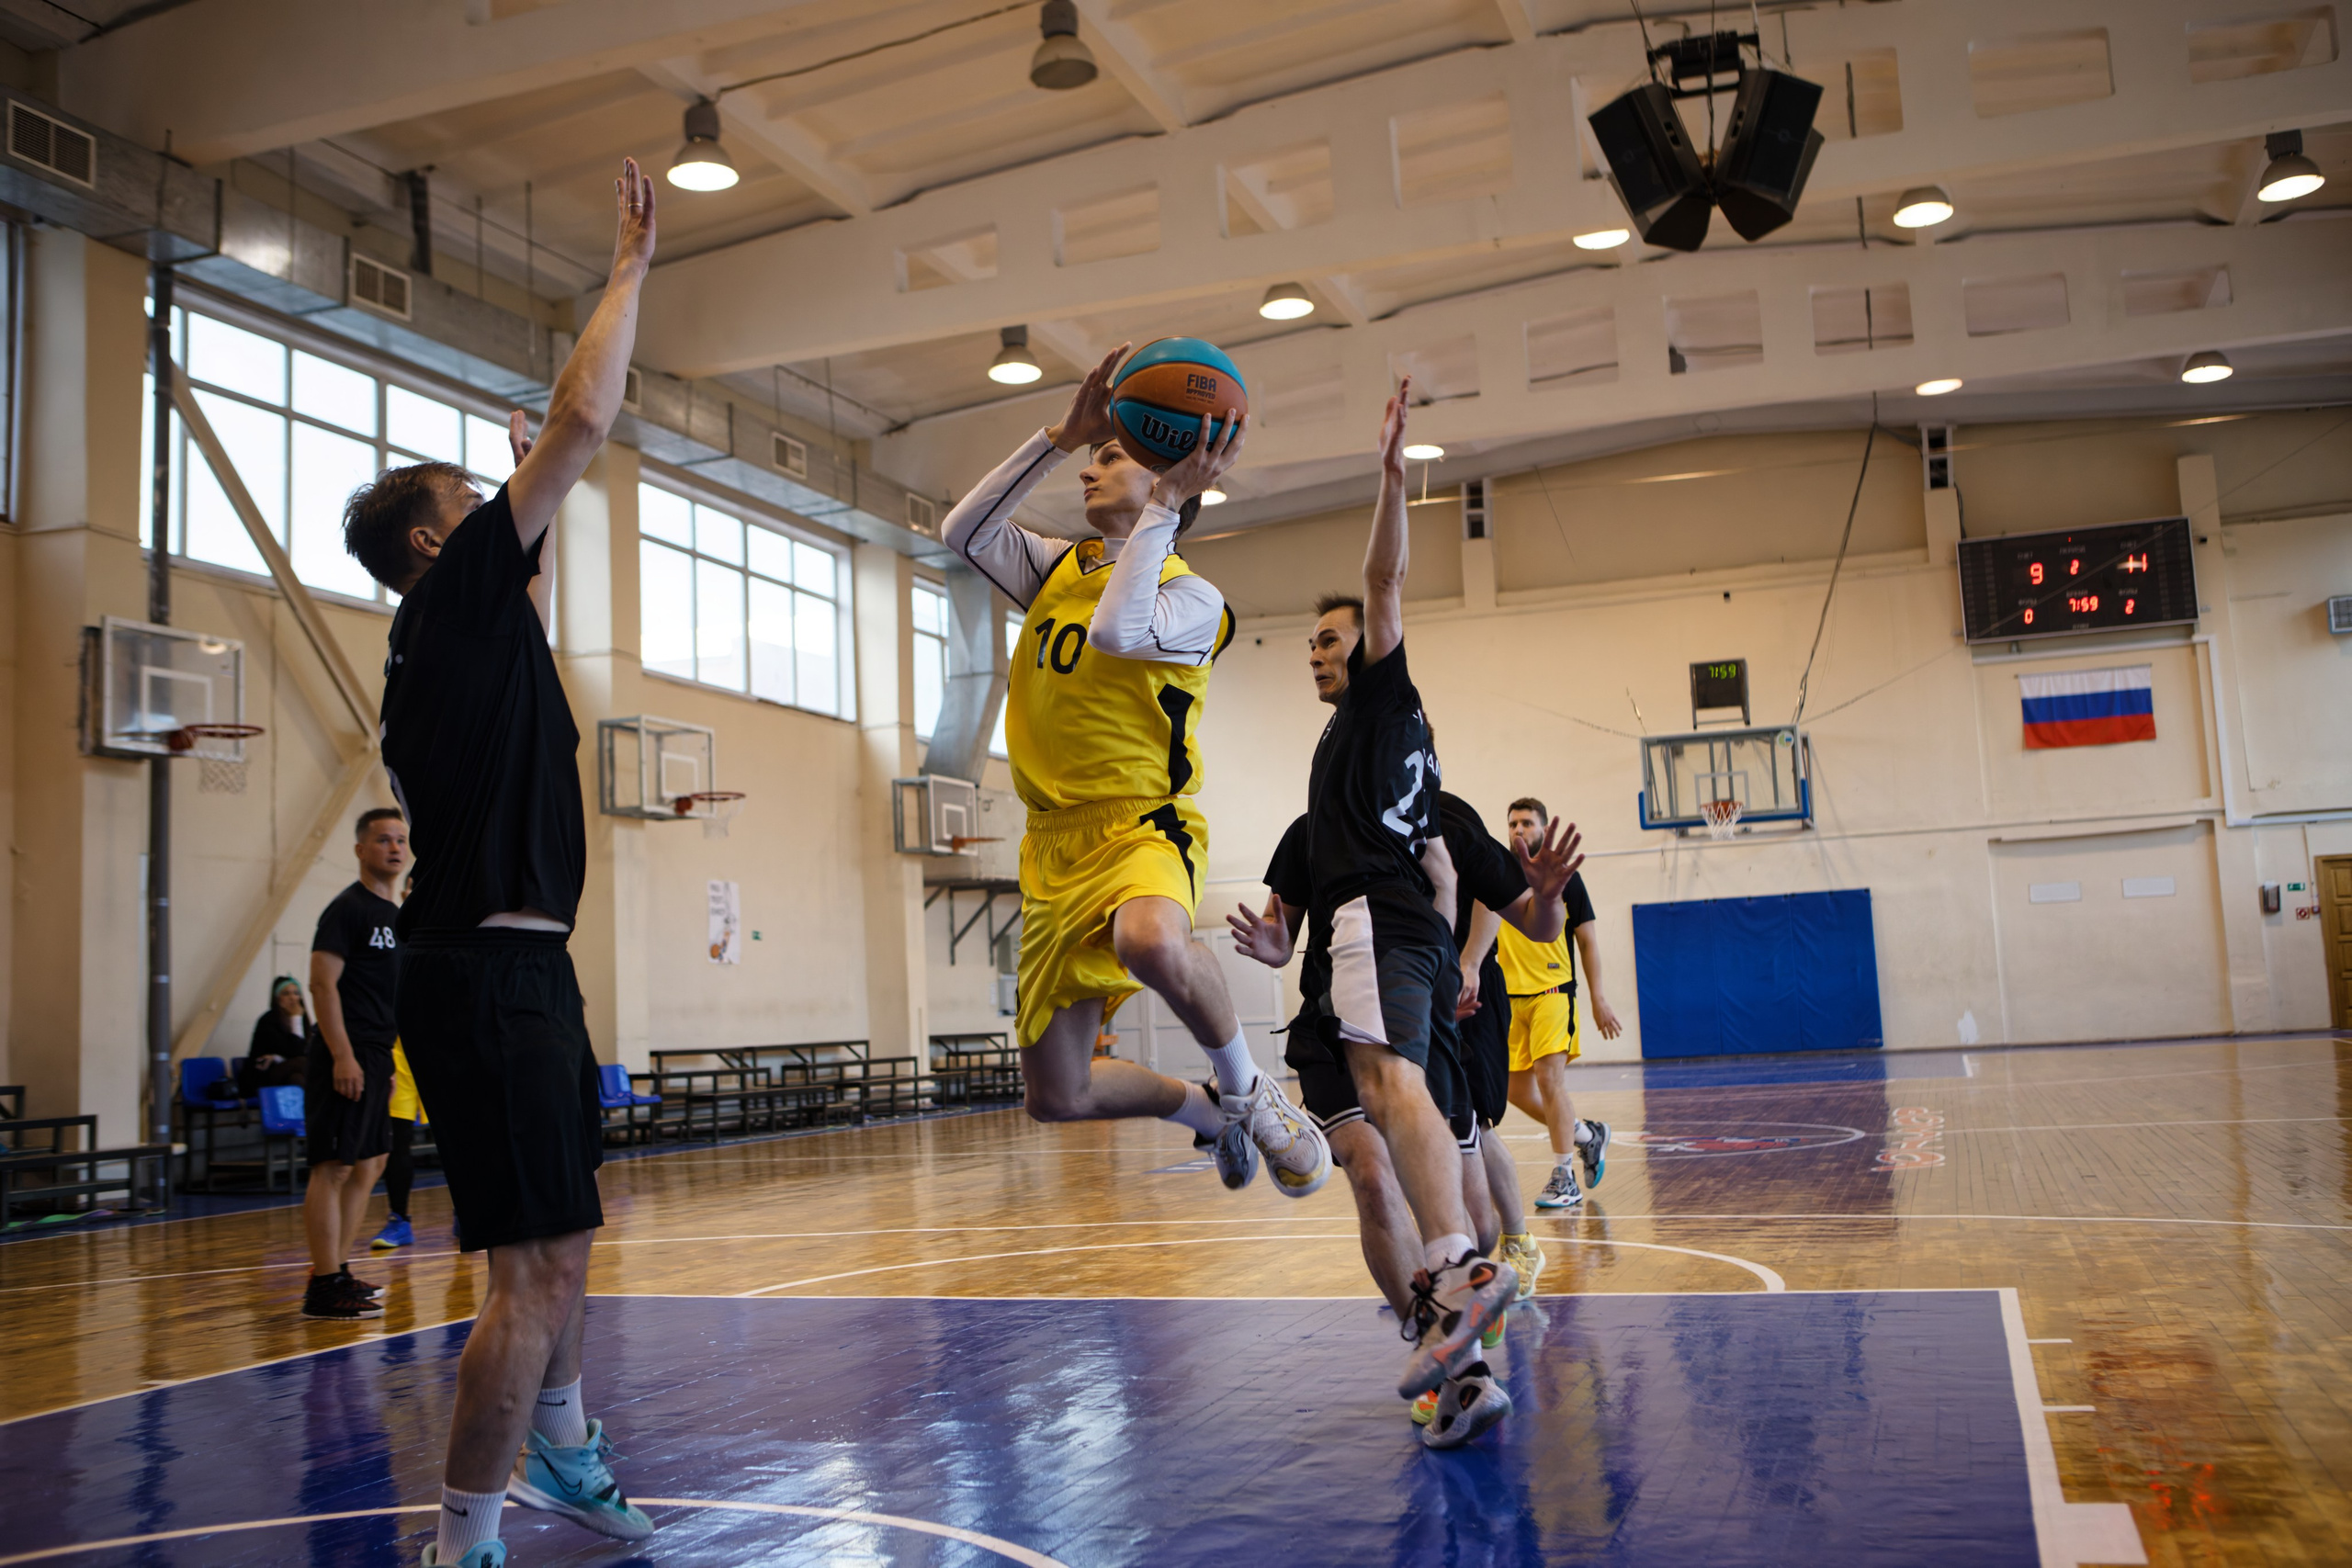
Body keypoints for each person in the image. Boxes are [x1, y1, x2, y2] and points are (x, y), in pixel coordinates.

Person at [348, 159, 658, 1568]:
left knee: (561, 1246)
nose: (499, 507)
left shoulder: (465, 627)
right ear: (436, 541)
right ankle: (464, 1541)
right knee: (526, 1283)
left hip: (511, 970)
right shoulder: (456, 599)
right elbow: (591, 419)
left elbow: (542, 490)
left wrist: (521, 479)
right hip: (493, 982)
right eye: (474, 499)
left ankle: (570, 1449)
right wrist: (627, 277)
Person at [943, 342, 1330, 1197]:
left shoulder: (1198, 600)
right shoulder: (1057, 566)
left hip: (1140, 822)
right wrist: (1056, 433)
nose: (1091, 466)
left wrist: (1165, 505)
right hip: (1051, 845)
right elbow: (960, 531)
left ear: (1159, 470)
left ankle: (1252, 1091)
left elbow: (1120, 630)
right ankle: (1200, 1107)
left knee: (1149, 936)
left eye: (1110, 452)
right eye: (1091, 455)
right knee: (1058, 1094)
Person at [1253, 378, 1524, 1446]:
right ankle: (1450, 1363)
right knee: (1375, 1139)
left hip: (1376, 926)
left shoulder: (1380, 692)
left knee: (1391, 1086)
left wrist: (1386, 477)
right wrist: (1280, 940)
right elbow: (1437, 870)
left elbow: (1383, 575)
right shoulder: (1355, 758)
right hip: (1370, 939)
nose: (1317, 653)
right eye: (1313, 646)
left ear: (1364, 648)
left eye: (1330, 640)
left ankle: (1457, 1271)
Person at [1233, 794, 1577, 1438]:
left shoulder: (1449, 820)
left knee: (1471, 1212)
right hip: (1336, 1026)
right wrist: (1273, 945)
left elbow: (1536, 921)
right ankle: (1449, 1364)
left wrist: (1541, 902)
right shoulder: (1315, 826)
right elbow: (1283, 941)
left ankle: (1482, 1300)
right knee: (1370, 1171)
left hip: (1433, 1024)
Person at [300, 808, 409, 1322]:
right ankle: (323, 1284)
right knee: (336, 1165)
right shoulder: (347, 909)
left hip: (374, 1054)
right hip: (343, 1051)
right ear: (361, 849)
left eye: (401, 840)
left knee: (370, 1162)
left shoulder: (397, 915)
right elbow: (322, 984)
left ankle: (338, 1270)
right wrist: (342, 1054)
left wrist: (383, 1062)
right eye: (383, 839)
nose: (394, 847)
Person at [1498, 797, 1620, 1209]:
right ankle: (1587, 1135)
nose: (1518, 830)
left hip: (1553, 991)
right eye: (1513, 823)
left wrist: (1598, 998)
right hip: (1510, 999)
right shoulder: (1496, 874)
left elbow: (1587, 940)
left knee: (1549, 1081)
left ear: (1543, 830)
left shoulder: (1565, 878)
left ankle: (1564, 1176)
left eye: (1527, 823)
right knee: (1514, 1092)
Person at [369, 1039, 424, 1251]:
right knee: (397, 1142)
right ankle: (399, 1219)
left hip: (444, 1050)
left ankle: (464, 1215)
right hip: (399, 1059)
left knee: (457, 1141)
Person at [241, 976, 311, 1094]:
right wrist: (295, 1019)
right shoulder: (268, 1020)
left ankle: (302, 1113)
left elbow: (304, 1051)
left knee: (297, 1079)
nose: (293, 998)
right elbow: (297, 1052)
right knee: (305, 1064)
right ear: (277, 998)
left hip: (288, 1072)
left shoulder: (303, 1020)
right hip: (262, 1074)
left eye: (296, 993)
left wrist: (278, 1057)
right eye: (286, 994)